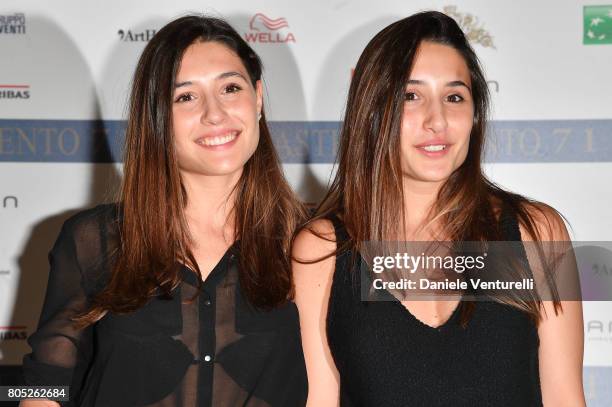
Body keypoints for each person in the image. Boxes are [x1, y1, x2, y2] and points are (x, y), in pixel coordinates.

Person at [293, 11, 585, 407]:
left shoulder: (534, 232)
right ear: (373, 112)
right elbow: (319, 399)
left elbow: (565, 398)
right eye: (411, 96)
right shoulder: (324, 249)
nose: (438, 120)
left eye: (454, 97)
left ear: (474, 115)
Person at [21, 15, 307, 407]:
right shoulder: (94, 240)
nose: (214, 114)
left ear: (257, 97)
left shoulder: (313, 241)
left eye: (230, 88)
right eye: (185, 96)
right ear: (157, 116)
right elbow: (43, 385)